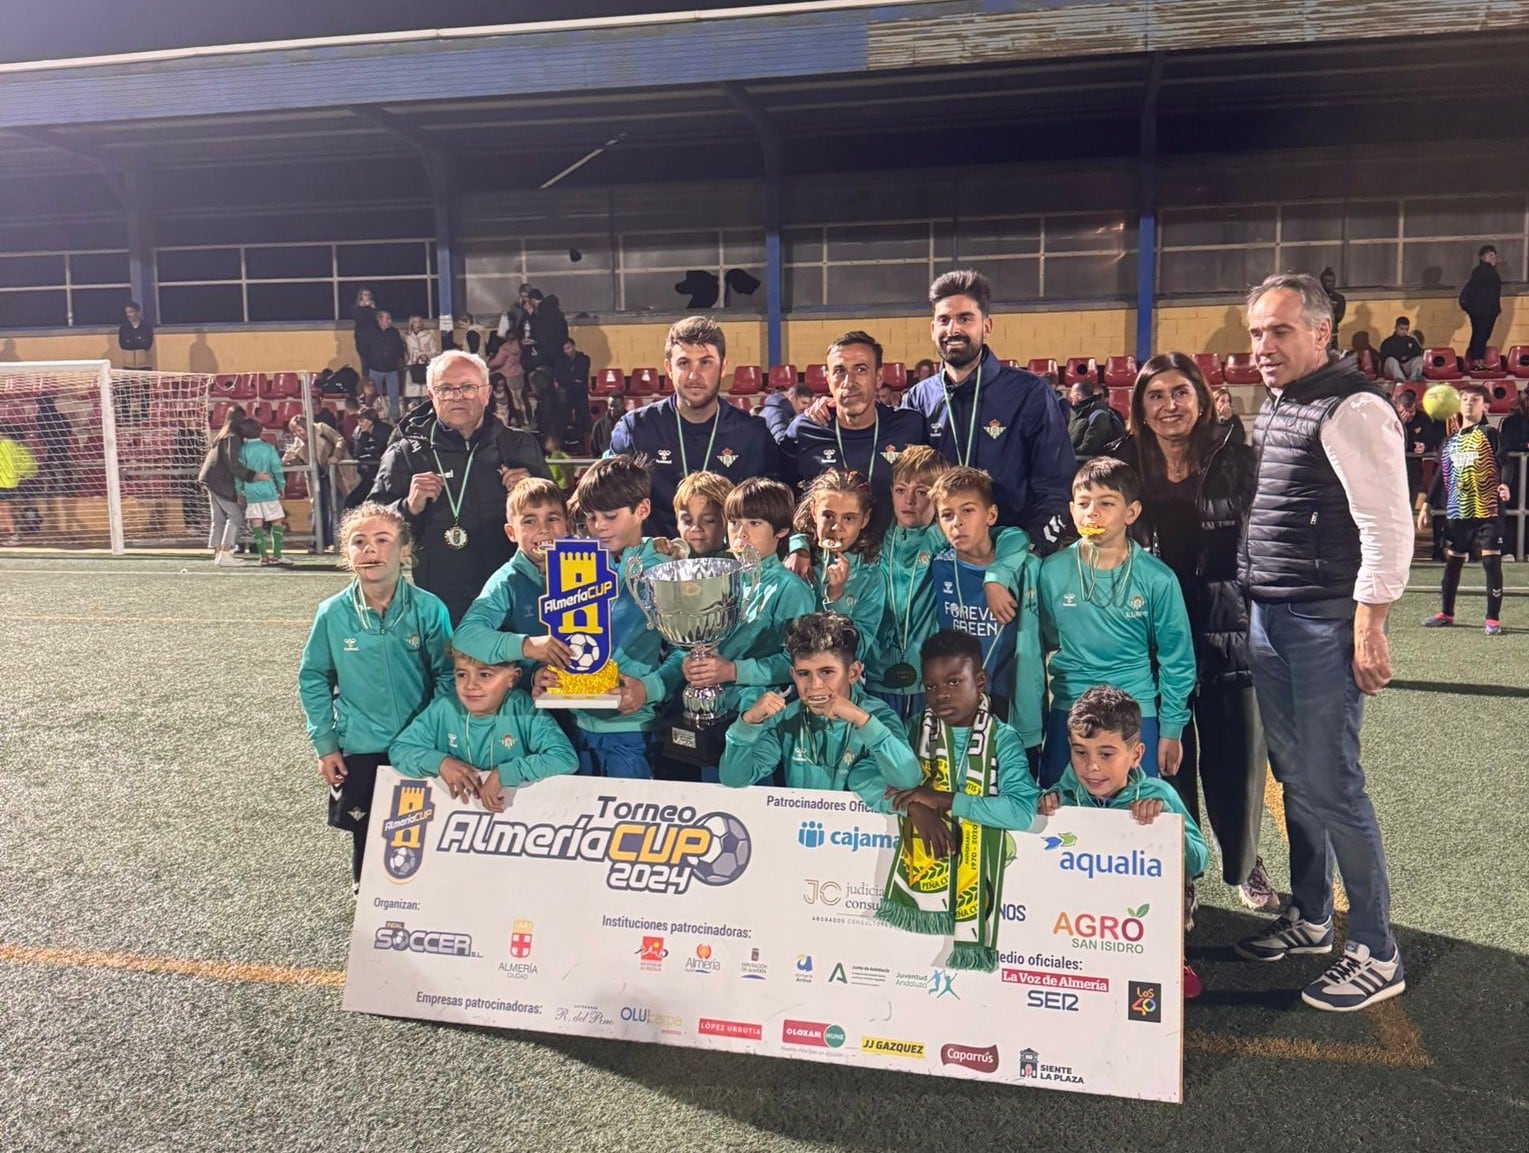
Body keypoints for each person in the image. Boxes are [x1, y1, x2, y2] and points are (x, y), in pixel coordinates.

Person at [1235, 273, 1411, 1012]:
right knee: (1292, 776)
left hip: (1319, 620)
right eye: (1254, 333)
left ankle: (1374, 947)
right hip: (1270, 613)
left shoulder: (1354, 407)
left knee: (1332, 781)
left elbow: (1386, 525)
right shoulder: (1283, 401)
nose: (1262, 346)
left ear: (1318, 333)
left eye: (1277, 331)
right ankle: (1311, 916)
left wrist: (1368, 622)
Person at [1106, 354, 1274, 912]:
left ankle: (1245, 864)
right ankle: (1177, 874)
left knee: (1234, 760)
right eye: (1156, 396)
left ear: (1201, 400)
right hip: (1148, 637)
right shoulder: (1121, 465)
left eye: (1180, 393)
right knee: (1164, 761)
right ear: (1140, 408)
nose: (1169, 406)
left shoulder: (1238, 460)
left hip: (1226, 628)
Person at [297, 502, 453, 893]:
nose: (370, 549)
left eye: (382, 540)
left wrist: (436, 732)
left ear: (404, 551)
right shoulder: (332, 614)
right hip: (361, 744)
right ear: (346, 555)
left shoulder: (429, 609)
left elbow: (447, 675)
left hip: (419, 743)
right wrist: (325, 744)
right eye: (358, 542)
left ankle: (426, 896)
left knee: (423, 826)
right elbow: (314, 677)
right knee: (365, 827)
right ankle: (366, 893)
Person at [877, 629, 1039, 971]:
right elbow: (886, 785)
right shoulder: (913, 729)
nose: (941, 696)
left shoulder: (1003, 739)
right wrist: (918, 808)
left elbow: (1021, 812)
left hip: (988, 888)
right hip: (923, 897)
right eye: (931, 686)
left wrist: (944, 801)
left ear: (979, 682)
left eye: (953, 682)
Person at [1037, 686, 1209, 999]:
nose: (1092, 766)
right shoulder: (1061, 797)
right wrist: (1043, 812)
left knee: (1173, 878)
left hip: (1135, 917)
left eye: (1106, 754)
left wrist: (1166, 828)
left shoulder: (1159, 796)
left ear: (1136, 755)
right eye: (1080, 752)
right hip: (1082, 914)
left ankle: (1169, 956)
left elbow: (1198, 861)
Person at [1037, 458, 1195, 787]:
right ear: (1071, 509)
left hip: (1135, 713)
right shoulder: (1051, 571)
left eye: (1106, 503)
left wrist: (1171, 729)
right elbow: (1046, 638)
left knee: (1137, 821)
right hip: (1070, 708)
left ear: (1131, 512)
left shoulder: (1157, 578)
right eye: (1083, 503)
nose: (1091, 513)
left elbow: (1176, 658)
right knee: (1063, 819)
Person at [650, 477, 816, 783]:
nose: (741, 532)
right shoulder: (718, 576)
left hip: (757, 720)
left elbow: (798, 664)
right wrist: (693, 660)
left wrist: (733, 671)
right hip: (706, 715)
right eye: (734, 522)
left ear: (781, 531)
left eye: (754, 523)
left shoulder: (791, 590)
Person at [368, 350, 550, 624]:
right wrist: (408, 507)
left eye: (467, 387)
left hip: (513, 594)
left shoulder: (519, 445)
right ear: (432, 396)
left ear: (486, 393)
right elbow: (370, 523)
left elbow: (558, 516)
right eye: (446, 389)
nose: (457, 396)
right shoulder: (406, 453)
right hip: (439, 599)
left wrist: (533, 493)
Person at [902, 270, 1076, 550]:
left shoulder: (1029, 394)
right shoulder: (918, 399)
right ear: (932, 329)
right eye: (944, 320)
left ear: (987, 326)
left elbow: (1055, 485)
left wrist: (1030, 553)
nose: (953, 329)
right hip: (938, 557)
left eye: (965, 319)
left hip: (1011, 553)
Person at [528, 455, 668, 779]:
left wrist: (649, 688)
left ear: (642, 510)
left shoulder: (664, 569)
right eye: (590, 518)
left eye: (610, 516)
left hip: (634, 732)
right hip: (572, 729)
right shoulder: (574, 565)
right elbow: (560, 638)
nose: (599, 526)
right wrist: (542, 675)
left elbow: (684, 653)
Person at [719, 613, 920, 808]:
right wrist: (747, 723)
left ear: (853, 673)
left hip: (860, 836)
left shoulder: (878, 716)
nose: (815, 685)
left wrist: (861, 720)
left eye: (827, 672)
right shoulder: (786, 718)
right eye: (804, 674)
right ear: (793, 675)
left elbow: (908, 779)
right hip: (804, 834)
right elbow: (734, 778)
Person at [608, 316, 778, 538]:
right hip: (654, 565)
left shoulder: (752, 435)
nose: (694, 375)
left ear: (723, 367)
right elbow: (608, 503)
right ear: (668, 368)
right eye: (684, 363)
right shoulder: (636, 430)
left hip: (731, 564)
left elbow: (775, 511)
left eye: (705, 362)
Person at [927, 466, 1043, 753]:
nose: (957, 523)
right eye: (947, 515)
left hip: (1009, 706)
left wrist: (996, 577)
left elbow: (1017, 537)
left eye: (968, 511)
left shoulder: (1024, 567)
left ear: (990, 515)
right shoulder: (938, 565)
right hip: (953, 709)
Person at [389, 642, 578, 810]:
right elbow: (399, 750)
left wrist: (506, 773)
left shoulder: (523, 709)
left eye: (485, 674)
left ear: (512, 678)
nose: (471, 685)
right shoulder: (444, 708)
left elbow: (565, 758)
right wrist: (440, 763)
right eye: (462, 674)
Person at [783, 331, 927, 506]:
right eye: (839, 371)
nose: (849, 382)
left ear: (879, 378)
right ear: (828, 380)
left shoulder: (909, 426)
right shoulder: (804, 430)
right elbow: (783, 497)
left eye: (861, 369)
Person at [453, 476, 575, 680]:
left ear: (568, 526)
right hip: (532, 699)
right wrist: (528, 646)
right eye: (529, 521)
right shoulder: (505, 581)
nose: (543, 528)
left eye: (552, 518)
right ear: (511, 532)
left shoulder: (592, 567)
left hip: (591, 691)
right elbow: (465, 636)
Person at [1421, 384, 1510, 634]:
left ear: (1486, 406)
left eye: (1475, 399)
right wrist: (1428, 503)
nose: (1469, 403)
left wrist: (1504, 483)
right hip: (1458, 511)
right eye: (1465, 399)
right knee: (1453, 562)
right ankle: (1446, 613)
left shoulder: (1490, 433)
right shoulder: (1449, 441)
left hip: (1488, 510)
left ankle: (1492, 618)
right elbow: (1439, 474)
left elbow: (1505, 462)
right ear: (1458, 405)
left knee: (1491, 562)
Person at [793, 469, 885, 662]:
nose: (836, 527)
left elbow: (857, 650)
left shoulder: (871, 577)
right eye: (828, 516)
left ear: (865, 519)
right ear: (813, 512)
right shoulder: (794, 558)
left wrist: (836, 598)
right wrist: (798, 547)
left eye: (848, 518)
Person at [198, 404, 260, 566]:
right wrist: (251, 475)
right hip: (219, 480)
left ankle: (218, 553)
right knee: (236, 515)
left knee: (218, 518)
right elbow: (233, 464)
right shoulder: (233, 437)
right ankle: (225, 553)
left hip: (209, 478)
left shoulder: (221, 435)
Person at [283, 415, 353, 550]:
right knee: (318, 507)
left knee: (337, 505)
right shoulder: (298, 442)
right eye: (295, 432)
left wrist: (335, 456)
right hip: (317, 476)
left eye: (299, 430)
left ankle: (337, 540)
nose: (298, 434)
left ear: (305, 426)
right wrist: (287, 459)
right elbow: (293, 458)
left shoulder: (321, 428)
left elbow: (340, 440)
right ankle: (319, 541)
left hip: (335, 472)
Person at [234, 418, 290, 567]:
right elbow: (277, 469)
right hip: (268, 489)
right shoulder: (268, 448)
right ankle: (277, 555)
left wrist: (239, 491)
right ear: (260, 431)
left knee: (256, 523)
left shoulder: (242, 450)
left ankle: (263, 556)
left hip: (251, 491)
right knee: (276, 520)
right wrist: (281, 486)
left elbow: (239, 473)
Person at [1460, 245, 1503, 368]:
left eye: (1494, 255)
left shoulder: (1491, 271)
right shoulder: (1482, 271)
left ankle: (1477, 360)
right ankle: (1476, 361)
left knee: (1483, 335)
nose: (1493, 257)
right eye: (1490, 255)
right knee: (1480, 335)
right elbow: (1479, 293)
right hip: (1481, 310)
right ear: (1482, 257)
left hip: (1488, 310)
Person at [673, 470, 731, 559]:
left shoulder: (741, 564)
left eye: (708, 520)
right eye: (687, 521)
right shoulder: (665, 562)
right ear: (678, 523)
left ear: (727, 523)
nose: (695, 528)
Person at [363, 310, 407, 422]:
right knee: (374, 397)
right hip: (375, 369)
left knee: (394, 397)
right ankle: (375, 419)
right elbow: (365, 350)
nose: (390, 321)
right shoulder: (371, 333)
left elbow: (399, 348)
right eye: (387, 318)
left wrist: (399, 360)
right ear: (379, 319)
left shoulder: (394, 332)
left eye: (390, 318)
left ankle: (395, 421)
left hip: (392, 370)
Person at [0, 424, 39, 545]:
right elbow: (27, 462)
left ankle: (15, 534)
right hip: (14, 480)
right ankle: (28, 524)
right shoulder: (17, 446)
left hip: (4, 481)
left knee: (6, 509)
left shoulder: (4, 445)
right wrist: (23, 475)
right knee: (14, 505)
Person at [1067, 376, 1124, 458]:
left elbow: (1089, 448)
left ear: (1079, 396)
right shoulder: (1077, 413)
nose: (1070, 395)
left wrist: (1066, 455)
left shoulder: (1099, 414)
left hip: (1094, 465)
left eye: (1072, 393)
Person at [346, 410, 391, 510]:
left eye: (362, 421)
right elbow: (357, 453)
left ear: (370, 421)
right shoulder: (358, 432)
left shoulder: (385, 431)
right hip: (366, 473)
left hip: (384, 474)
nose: (359, 424)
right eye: (358, 421)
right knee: (351, 502)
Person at [554, 335, 591, 446]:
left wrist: (569, 379)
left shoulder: (584, 359)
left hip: (580, 393)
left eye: (569, 348)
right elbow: (560, 377)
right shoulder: (561, 361)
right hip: (568, 394)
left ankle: (587, 441)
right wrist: (574, 379)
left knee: (583, 417)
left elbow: (582, 374)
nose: (567, 351)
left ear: (574, 346)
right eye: (565, 349)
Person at [488, 335, 527, 425]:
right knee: (520, 398)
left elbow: (498, 361)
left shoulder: (505, 348)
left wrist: (489, 364)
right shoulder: (521, 346)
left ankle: (519, 418)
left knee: (514, 399)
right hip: (519, 375)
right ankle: (524, 419)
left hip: (508, 374)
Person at [1378, 316, 1425, 382]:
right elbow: (1383, 358)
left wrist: (1406, 357)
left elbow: (1417, 352)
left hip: (1406, 366)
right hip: (1392, 369)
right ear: (1396, 328)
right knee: (1390, 360)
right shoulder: (1388, 342)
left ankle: (1414, 378)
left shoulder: (1411, 340)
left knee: (1419, 359)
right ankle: (1402, 381)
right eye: (1401, 329)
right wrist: (1399, 358)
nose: (1404, 331)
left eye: (1406, 329)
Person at [403, 315, 440, 396]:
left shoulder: (429, 335)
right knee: (413, 395)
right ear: (411, 324)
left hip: (425, 367)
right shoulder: (406, 337)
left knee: (426, 394)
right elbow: (405, 353)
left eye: (420, 321)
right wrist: (416, 356)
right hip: (412, 367)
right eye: (415, 322)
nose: (418, 324)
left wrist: (426, 356)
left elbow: (435, 352)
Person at [117, 300, 154, 369]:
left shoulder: (146, 327)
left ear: (137, 312)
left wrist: (131, 342)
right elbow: (123, 345)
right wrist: (138, 341)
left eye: (131, 312)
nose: (128, 315)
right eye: (127, 312)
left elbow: (147, 345)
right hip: (128, 366)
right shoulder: (123, 328)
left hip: (144, 365)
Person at [1319, 268, 1346, 351]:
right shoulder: (1316, 297)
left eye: (1333, 281)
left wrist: (1328, 308)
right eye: (1328, 281)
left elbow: (1339, 317)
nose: (1331, 284)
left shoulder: (1339, 298)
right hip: (1318, 335)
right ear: (1322, 282)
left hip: (1333, 336)